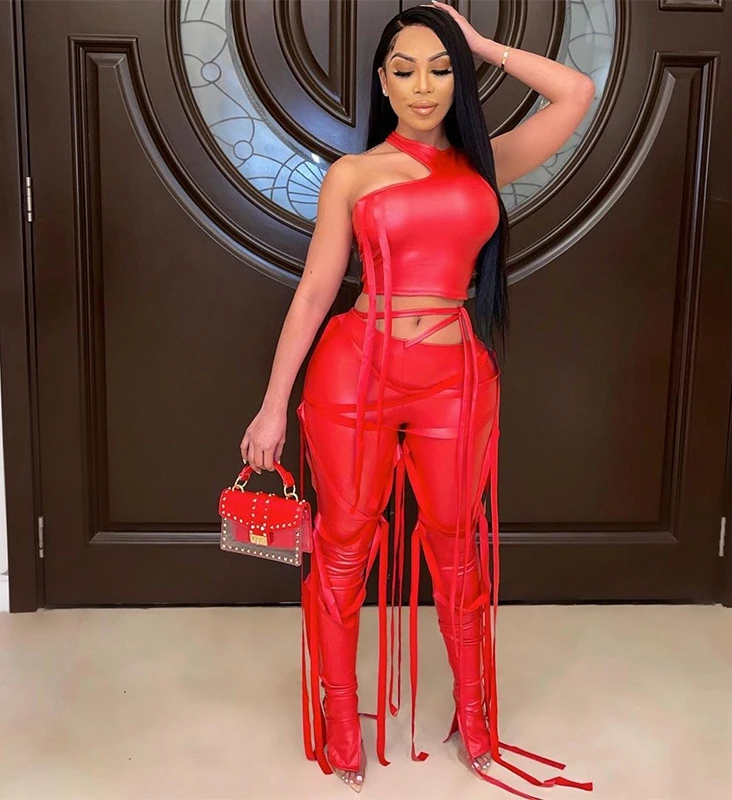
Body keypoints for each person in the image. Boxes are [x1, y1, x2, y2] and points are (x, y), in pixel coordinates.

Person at [240, 3, 595, 796]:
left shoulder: (484, 164)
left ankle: (475, 716)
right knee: (342, 547)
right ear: (383, 82)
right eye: (405, 70)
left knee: (458, 549)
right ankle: (341, 719)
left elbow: (576, 92)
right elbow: (314, 292)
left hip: (455, 380)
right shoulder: (354, 174)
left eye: (440, 69)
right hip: (354, 373)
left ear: (458, 79)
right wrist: (272, 405)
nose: (424, 86)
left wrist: (482, 45)